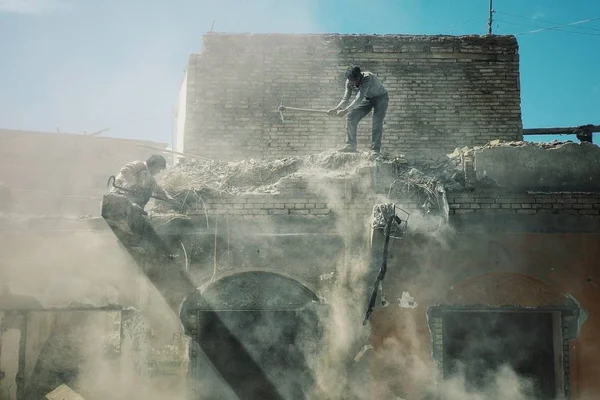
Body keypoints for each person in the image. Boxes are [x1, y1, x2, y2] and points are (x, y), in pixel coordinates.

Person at [328, 65, 389, 154]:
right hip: (368, 98)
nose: (353, 83)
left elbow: (359, 98)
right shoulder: (349, 81)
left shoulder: (367, 78)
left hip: (381, 98)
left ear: (359, 76)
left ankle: (375, 149)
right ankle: (350, 146)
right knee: (351, 116)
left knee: (377, 122)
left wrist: (345, 111)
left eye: (355, 80)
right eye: (351, 81)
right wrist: (336, 109)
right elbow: (346, 98)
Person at [110, 154, 174, 210]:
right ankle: (133, 205)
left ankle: (137, 207)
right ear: (156, 166)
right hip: (119, 193)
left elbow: (157, 189)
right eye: (159, 169)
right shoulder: (139, 165)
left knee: (151, 183)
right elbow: (125, 170)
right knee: (146, 175)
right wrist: (134, 186)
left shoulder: (150, 178)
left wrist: (168, 198)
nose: (158, 172)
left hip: (129, 198)